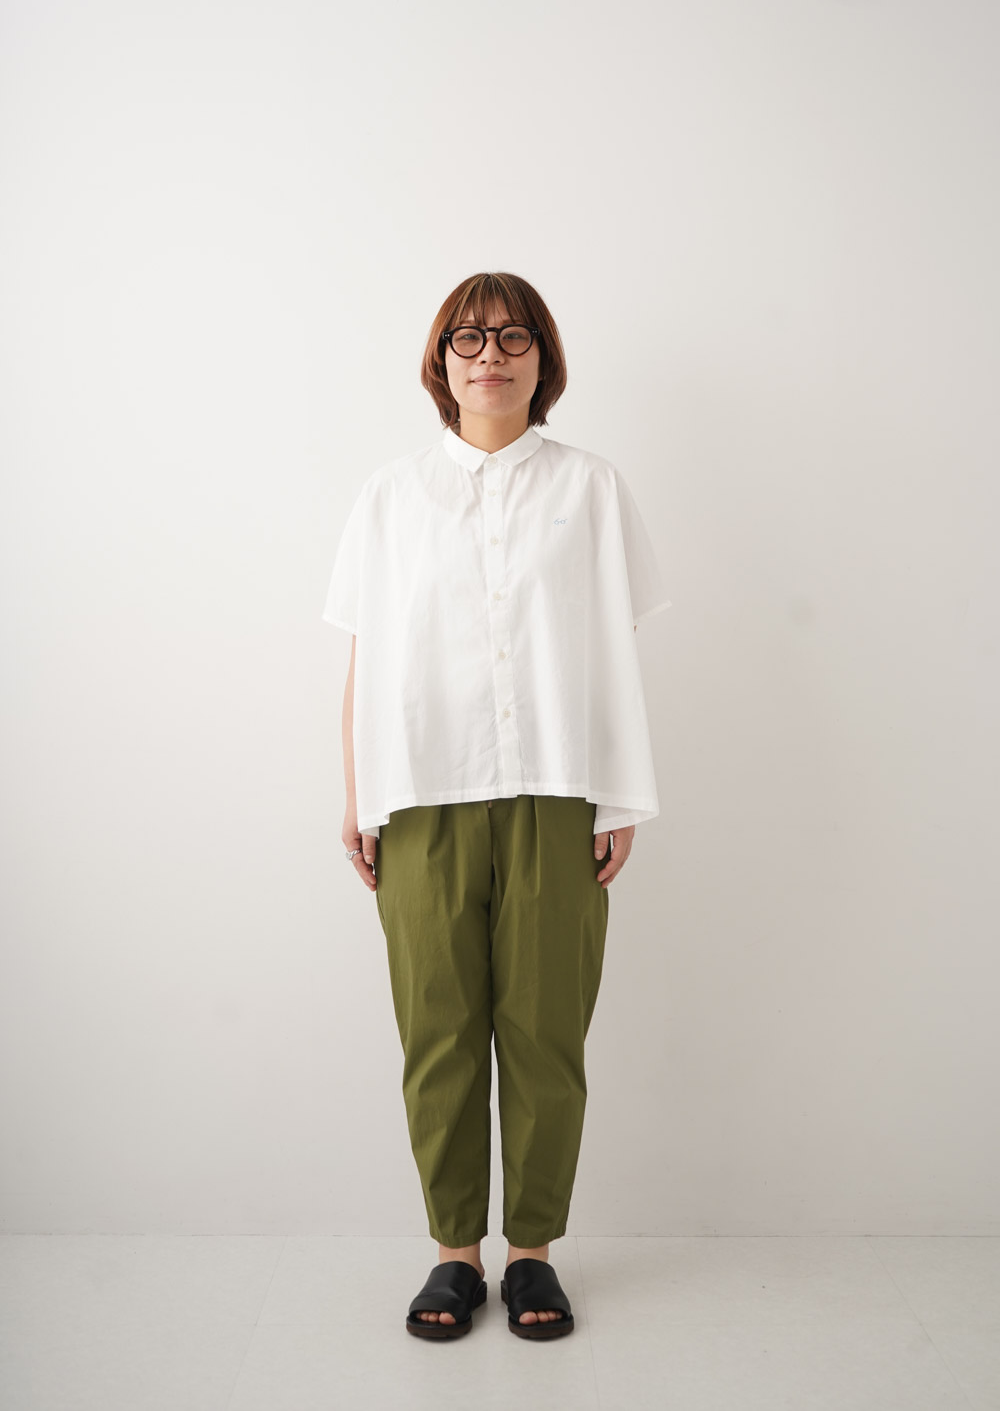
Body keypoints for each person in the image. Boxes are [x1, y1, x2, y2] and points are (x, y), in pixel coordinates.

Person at [322, 272, 671, 1340]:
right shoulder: (390, 497)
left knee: (545, 1033)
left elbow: (611, 649)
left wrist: (617, 793)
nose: (490, 356)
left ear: (542, 359)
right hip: (421, 796)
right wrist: (357, 796)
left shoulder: (591, 488)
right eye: (468, 338)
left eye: (513, 337)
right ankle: (452, 1255)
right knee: (437, 1033)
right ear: (441, 361)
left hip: (558, 792)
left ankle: (531, 1255)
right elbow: (365, 656)